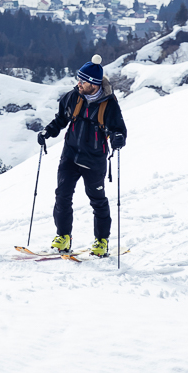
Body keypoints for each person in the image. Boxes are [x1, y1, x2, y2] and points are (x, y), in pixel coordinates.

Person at [38, 57, 126, 257]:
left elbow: (118, 129)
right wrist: (47, 132)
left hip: (94, 159)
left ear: (94, 84)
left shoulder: (109, 104)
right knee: (62, 196)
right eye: (79, 79)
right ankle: (63, 237)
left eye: (83, 81)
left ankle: (101, 241)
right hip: (70, 154)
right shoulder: (73, 97)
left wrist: (118, 138)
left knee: (97, 200)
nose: (78, 83)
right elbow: (61, 119)